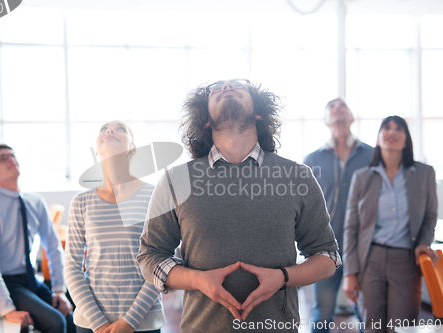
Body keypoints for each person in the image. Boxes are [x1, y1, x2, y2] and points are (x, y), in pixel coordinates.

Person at [137, 79, 341, 333]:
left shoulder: (298, 176)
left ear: (258, 113)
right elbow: (149, 256)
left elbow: (328, 257)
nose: (226, 87)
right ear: (206, 120)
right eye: (216, 88)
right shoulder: (175, 180)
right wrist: (197, 280)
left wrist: (283, 278)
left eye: (238, 86)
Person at [64, 121, 166, 333]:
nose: (109, 130)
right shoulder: (81, 202)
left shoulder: (155, 196)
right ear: (97, 148)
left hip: (143, 322)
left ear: (133, 148)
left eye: (120, 128)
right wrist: (99, 324)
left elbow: (161, 263)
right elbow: (72, 268)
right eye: (104, 128)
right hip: (91, 324)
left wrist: (129, 322)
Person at [343, 116, 438, 333]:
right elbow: (351, 228)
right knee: (372, 327)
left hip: (406, 261)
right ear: (378, 139)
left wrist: (424, 242)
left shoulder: (425, 174)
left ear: (406, 141)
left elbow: (431, 215)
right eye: (386, 128)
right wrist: (350, 273)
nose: (391, 132)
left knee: (402, 328)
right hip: (370, 260)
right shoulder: (362, 177)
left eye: (398, 128)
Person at [0, 144, 75, 333]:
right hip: (2, 282)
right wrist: (7, 309)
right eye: (2, 158)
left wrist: (59, 289)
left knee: (70, 317)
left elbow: (53, 247)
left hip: (28, 280)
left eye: (11, 155)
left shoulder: (34, 201)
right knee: (55, 322)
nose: (10, 159)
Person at [303, 98, 373, 332]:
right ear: (325, 120)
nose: (337, 109)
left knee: (367, 313)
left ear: (352, 117)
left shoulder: (372, 156)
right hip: (324, 249)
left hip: (363, 248)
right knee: (322, 313)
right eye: (331, 107)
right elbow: (303, 206)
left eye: (343, 106)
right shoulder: (312, 161)